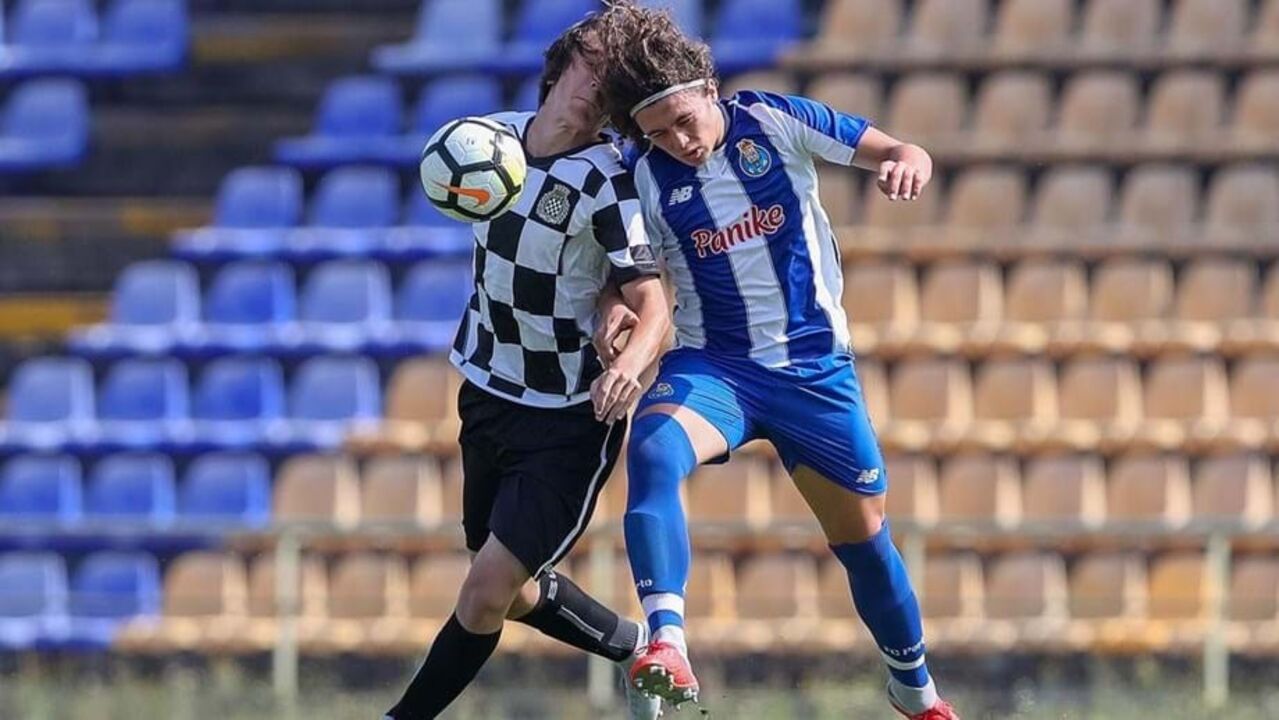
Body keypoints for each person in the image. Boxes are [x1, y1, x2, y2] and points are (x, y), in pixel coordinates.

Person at [590, 3, 959, 719]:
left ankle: (915, 692)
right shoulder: (641, 176)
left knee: (864, 541)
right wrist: (614, 306)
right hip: (716, 367)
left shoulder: (773, 119)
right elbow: (625, 273)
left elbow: (896, 149)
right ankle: (667, 643)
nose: (678, 142)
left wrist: (907, 162)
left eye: (683, 121)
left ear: (709, 88)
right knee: (655, 447)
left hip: (813, 371)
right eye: (657, 133)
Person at [382, 12, 670, 720]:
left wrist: (629, 363)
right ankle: (633, 647)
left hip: (567, 418)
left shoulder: (607, 180)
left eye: (615, 80)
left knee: (484, 591)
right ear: (562, 63)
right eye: (593, 64)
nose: (598, 85)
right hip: (485, 390)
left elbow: (652, 302)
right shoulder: (487, 142)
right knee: (503, 589)